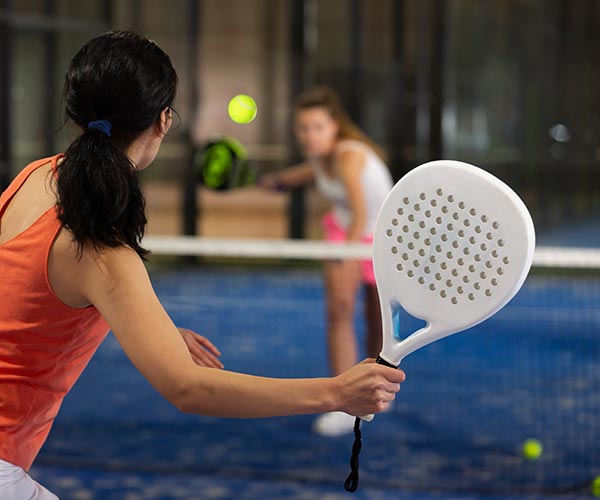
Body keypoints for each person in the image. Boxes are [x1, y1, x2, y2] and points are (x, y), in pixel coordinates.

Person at [0, 32, 405, 499]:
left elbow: (31, 293)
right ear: (163, 121)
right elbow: (189, 389)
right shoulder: (103, 250)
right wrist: (336, 393)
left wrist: (161, 332)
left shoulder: (33, 176)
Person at [260, 86, 395, 437]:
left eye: (317, 127)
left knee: (377, 324)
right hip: (344, 231)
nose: (310, 135)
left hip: (380, 240)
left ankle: (375, 391)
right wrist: (271, 182)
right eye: (303, 128)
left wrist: (347, 254)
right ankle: (344, 403)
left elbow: (362, 211)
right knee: (338, 312)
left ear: (335, 127)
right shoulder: (319, 159)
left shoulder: (349, 156)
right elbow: (297, 177)